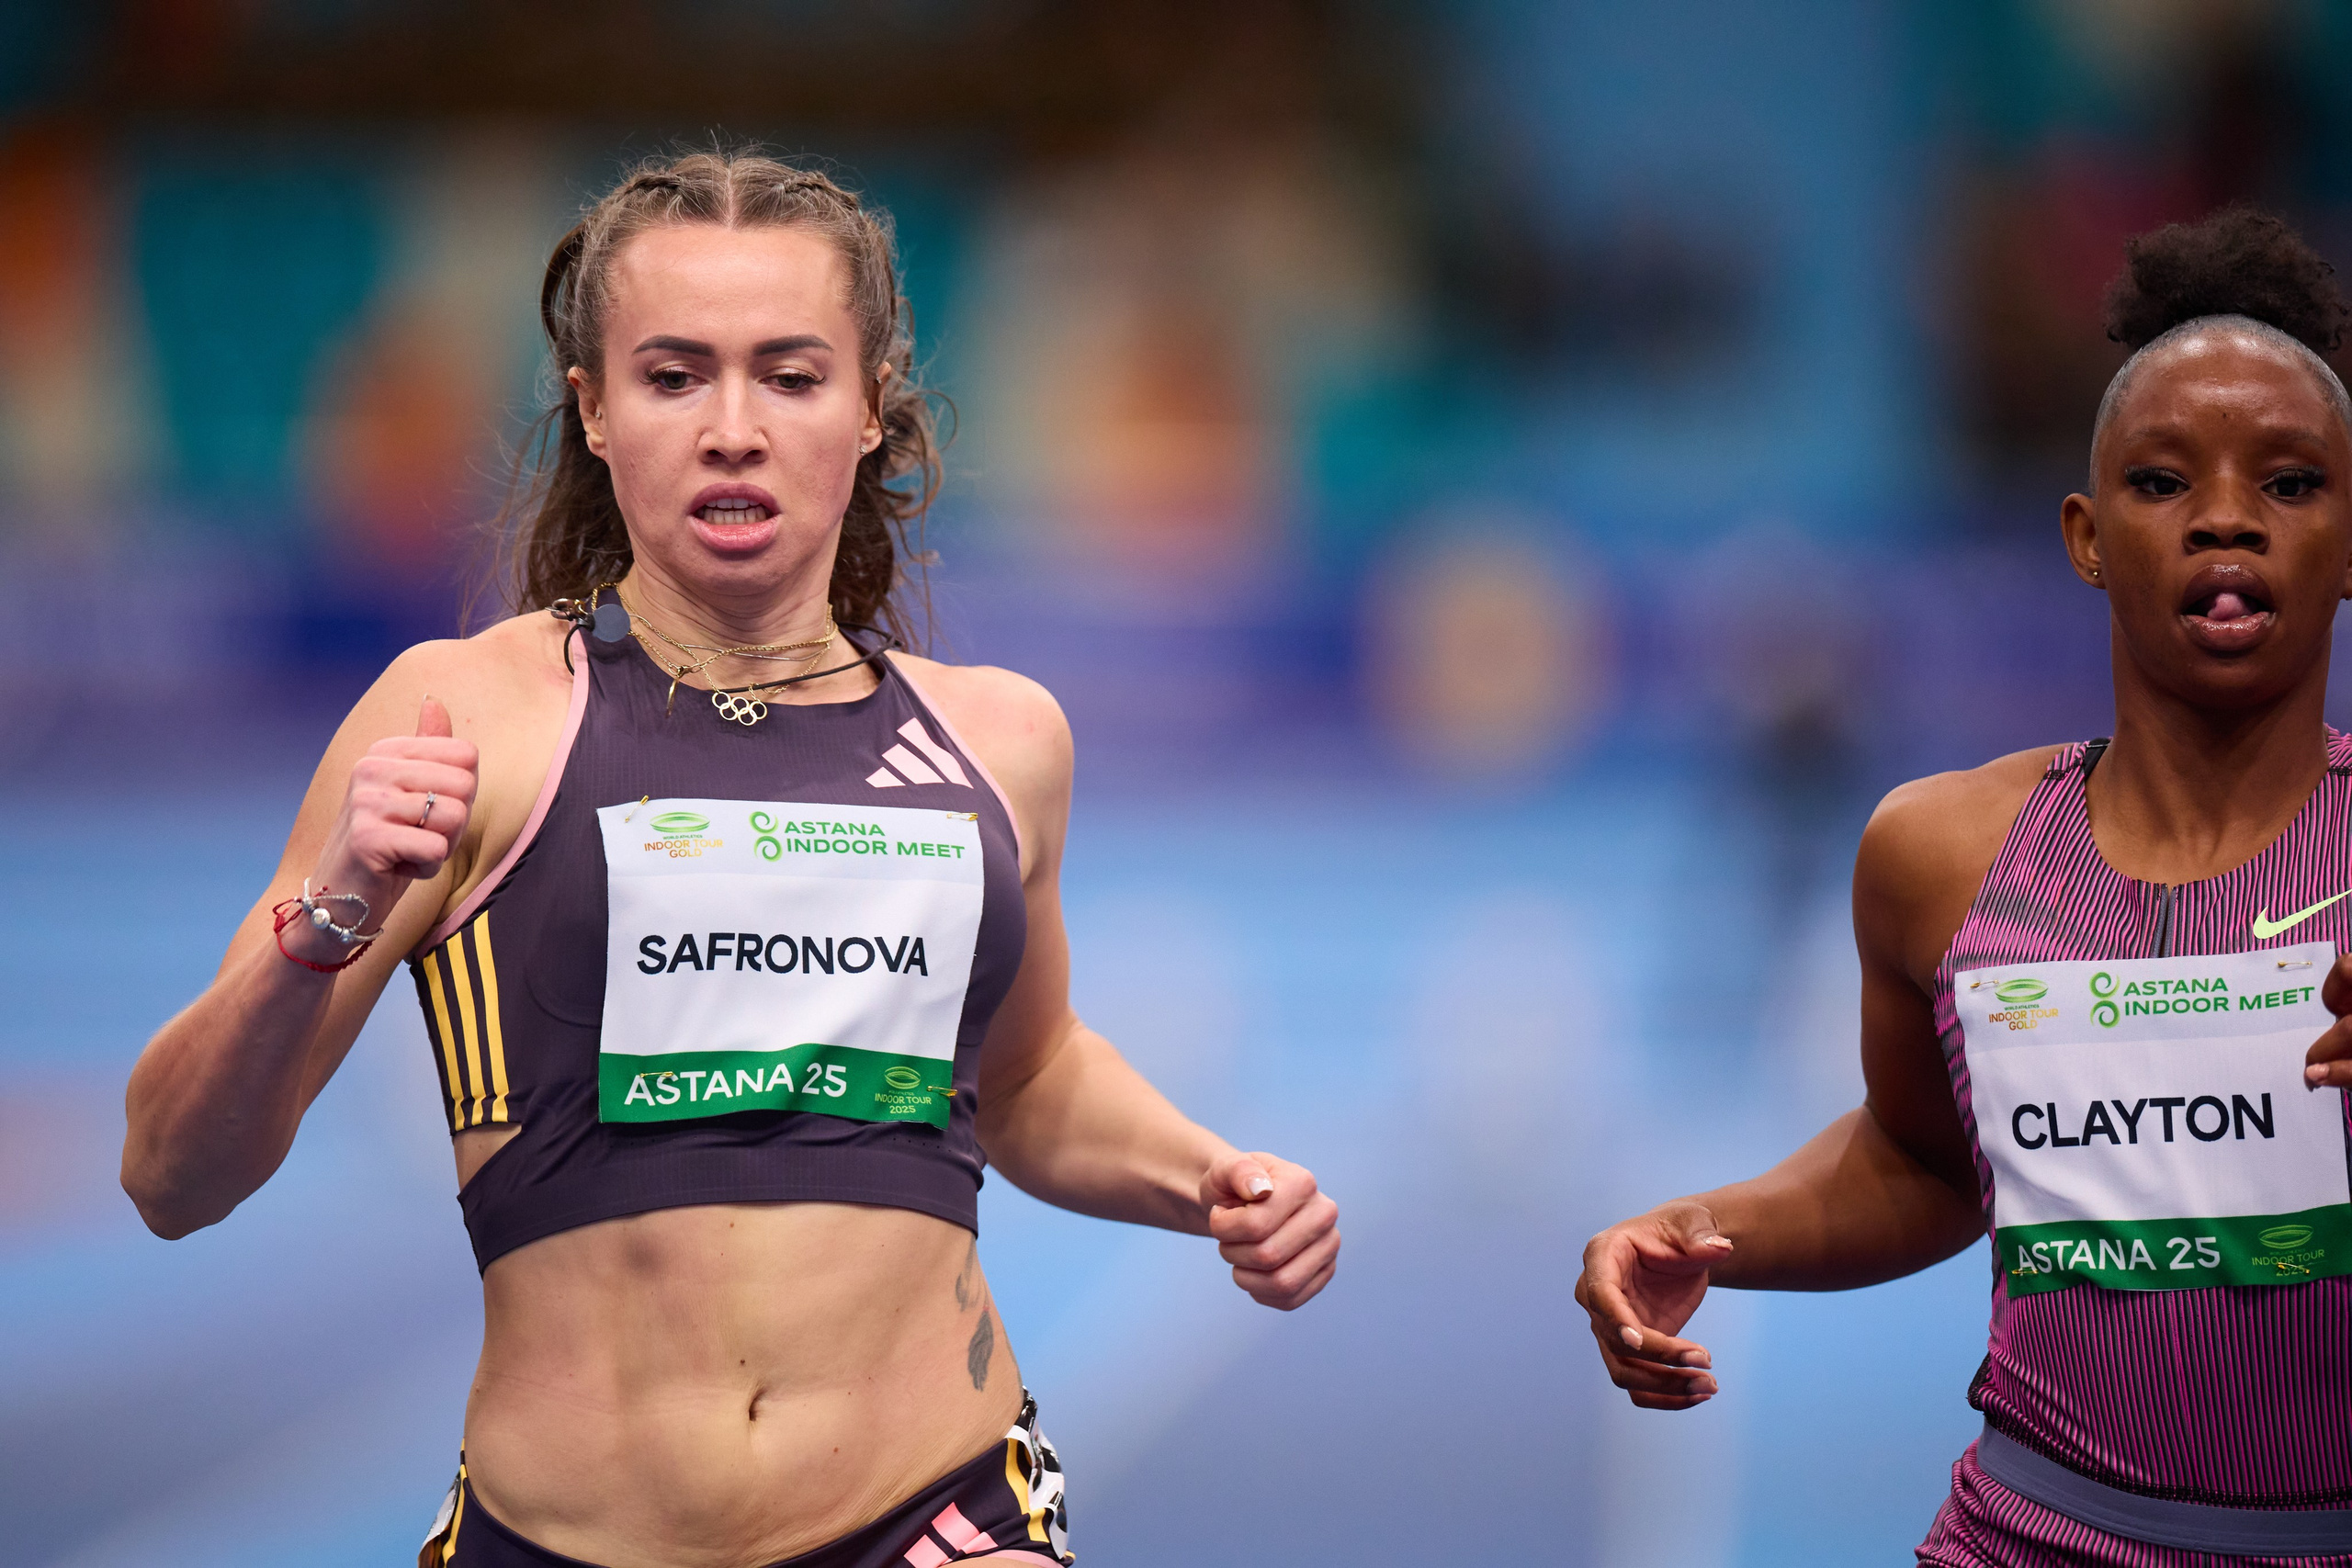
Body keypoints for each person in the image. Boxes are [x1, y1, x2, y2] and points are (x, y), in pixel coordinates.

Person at [120, 149, 1340, 1568]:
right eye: (675, 376)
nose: (735, 431)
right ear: (594, 410)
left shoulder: (1000, 743)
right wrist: (326, 914)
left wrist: (1213, 1178)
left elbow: (1028, 1078)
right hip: (561, 1535)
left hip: (940, 1510)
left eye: (791, 376)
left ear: (871, 406)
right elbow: (168, 1176)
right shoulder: (463, 719)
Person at [1577, 206, 2352, 1565]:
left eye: (2290, 483)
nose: (2227, 516)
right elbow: (1923, 1161)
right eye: (2162, 481)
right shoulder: (1941, 858)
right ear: (2086, 536)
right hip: (2027, 1537)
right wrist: (1702, 1226)